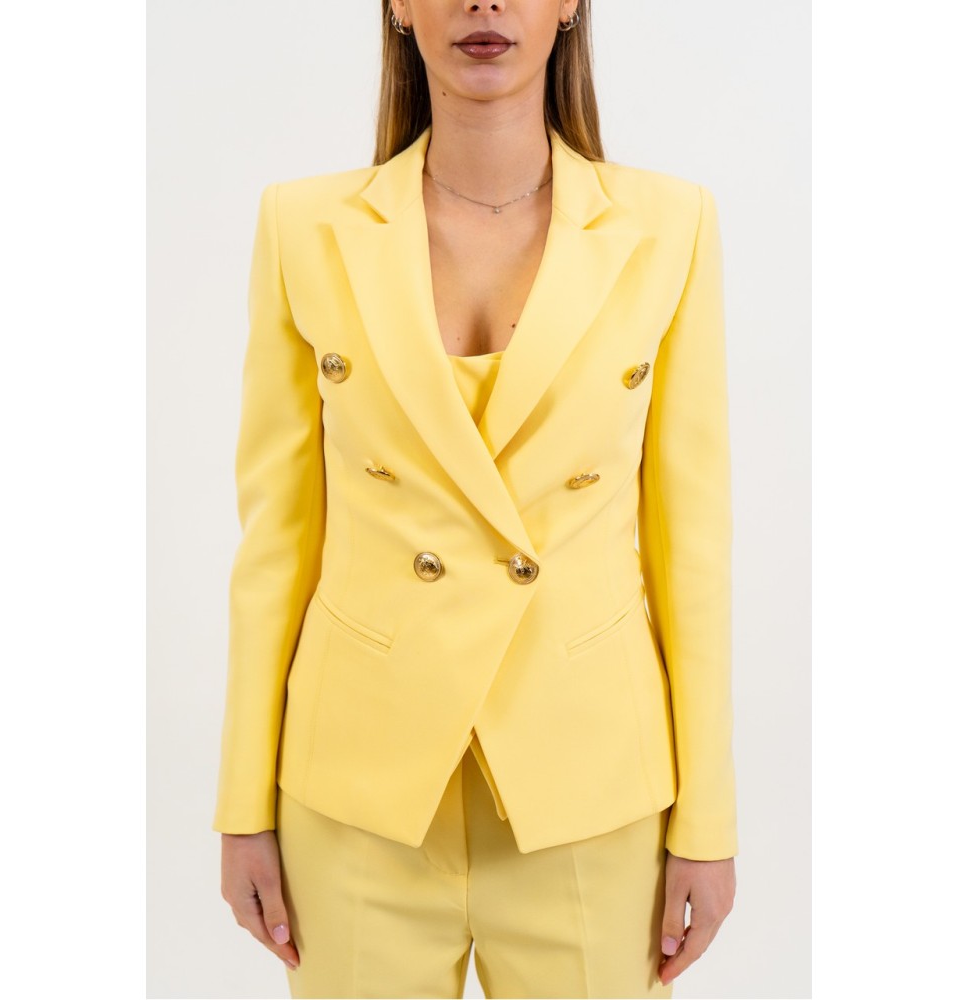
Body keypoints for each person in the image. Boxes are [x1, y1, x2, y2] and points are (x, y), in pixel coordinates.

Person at [214, 2, 738, 997]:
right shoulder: (302, 226)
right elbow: (275, 543)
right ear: (398, 7)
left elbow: (694, 550)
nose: (484, 3)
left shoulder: (671, 227)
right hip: (356, 795)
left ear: (571, 5)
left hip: (588, 789)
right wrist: (243, 804)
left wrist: (706, 823)